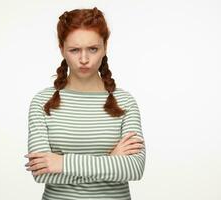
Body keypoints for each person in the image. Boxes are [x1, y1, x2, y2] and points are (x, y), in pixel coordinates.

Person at [24, 7, 146, 200]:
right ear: (62, 48)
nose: (84, 59)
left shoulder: (125, 101)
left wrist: (62, 164)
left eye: (93, 49)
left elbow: (134, 169)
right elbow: (42, 172)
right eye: (74, 50)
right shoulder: (42, 102)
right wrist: (111, 161)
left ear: (105, 46)